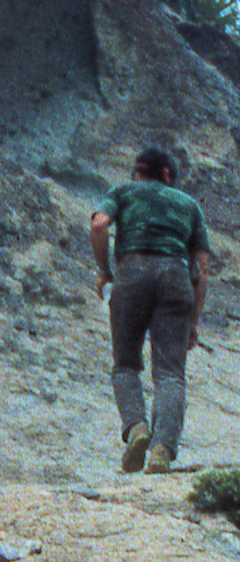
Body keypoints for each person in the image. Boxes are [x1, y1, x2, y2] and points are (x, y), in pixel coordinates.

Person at [91, 146, 211, 474]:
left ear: (137, 172)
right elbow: (201, 266)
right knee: (171, 373)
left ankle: (137, 429)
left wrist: (104, 270)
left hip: (131, 273)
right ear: (169, 176)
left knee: (125, 365)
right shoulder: (188, 205)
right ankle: (161, 450)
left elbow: (99, 225)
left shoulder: (123, 193)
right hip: (176, 279)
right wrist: (194, 322)